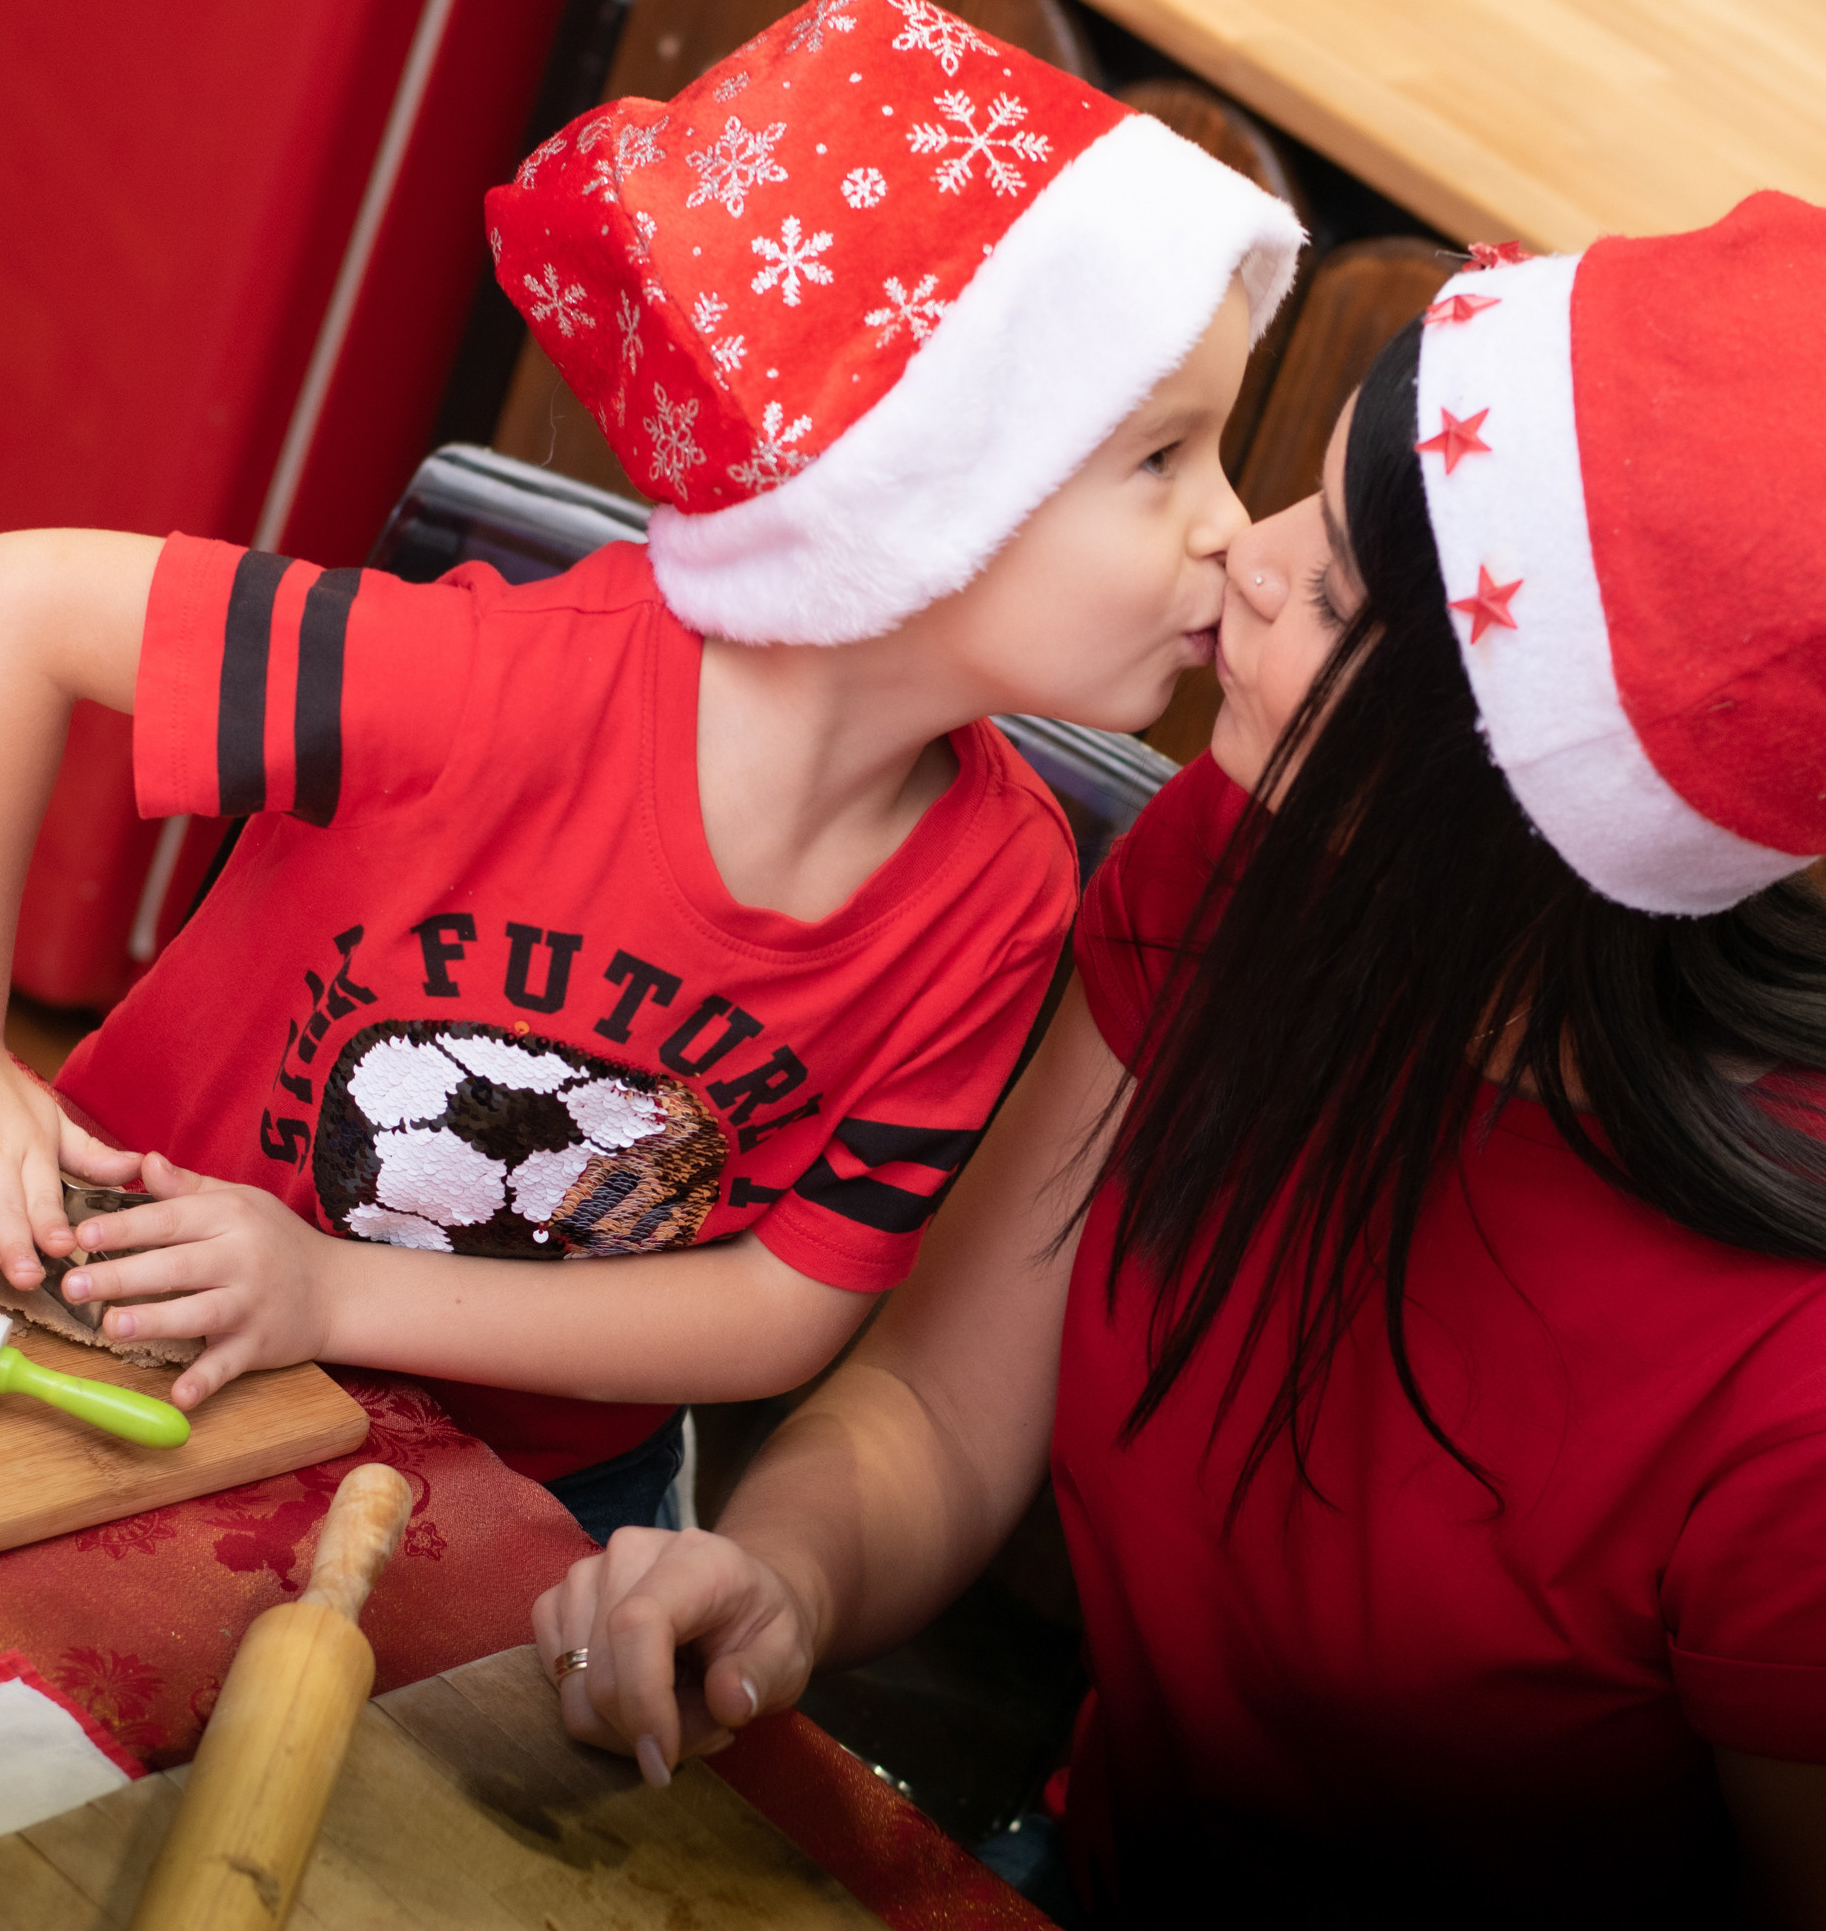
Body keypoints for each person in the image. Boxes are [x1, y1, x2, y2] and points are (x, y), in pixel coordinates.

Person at [531, 190, 1826, 1921]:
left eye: (1346, 593)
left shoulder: (1789, 1383)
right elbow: (936, 1404)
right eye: (1320, 491)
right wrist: (776, 1579)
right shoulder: (1244, 855)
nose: (1252, 552)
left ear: (1531, 792)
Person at [0, 0, 1303, 1540]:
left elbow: (781, 1307)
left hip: (542, 1497)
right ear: (920, 487)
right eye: (1161, 455)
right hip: (123, 1327)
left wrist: (328, 1291)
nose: (1233, 529)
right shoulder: (490, 687)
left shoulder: (1008, 888)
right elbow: (9, 606)